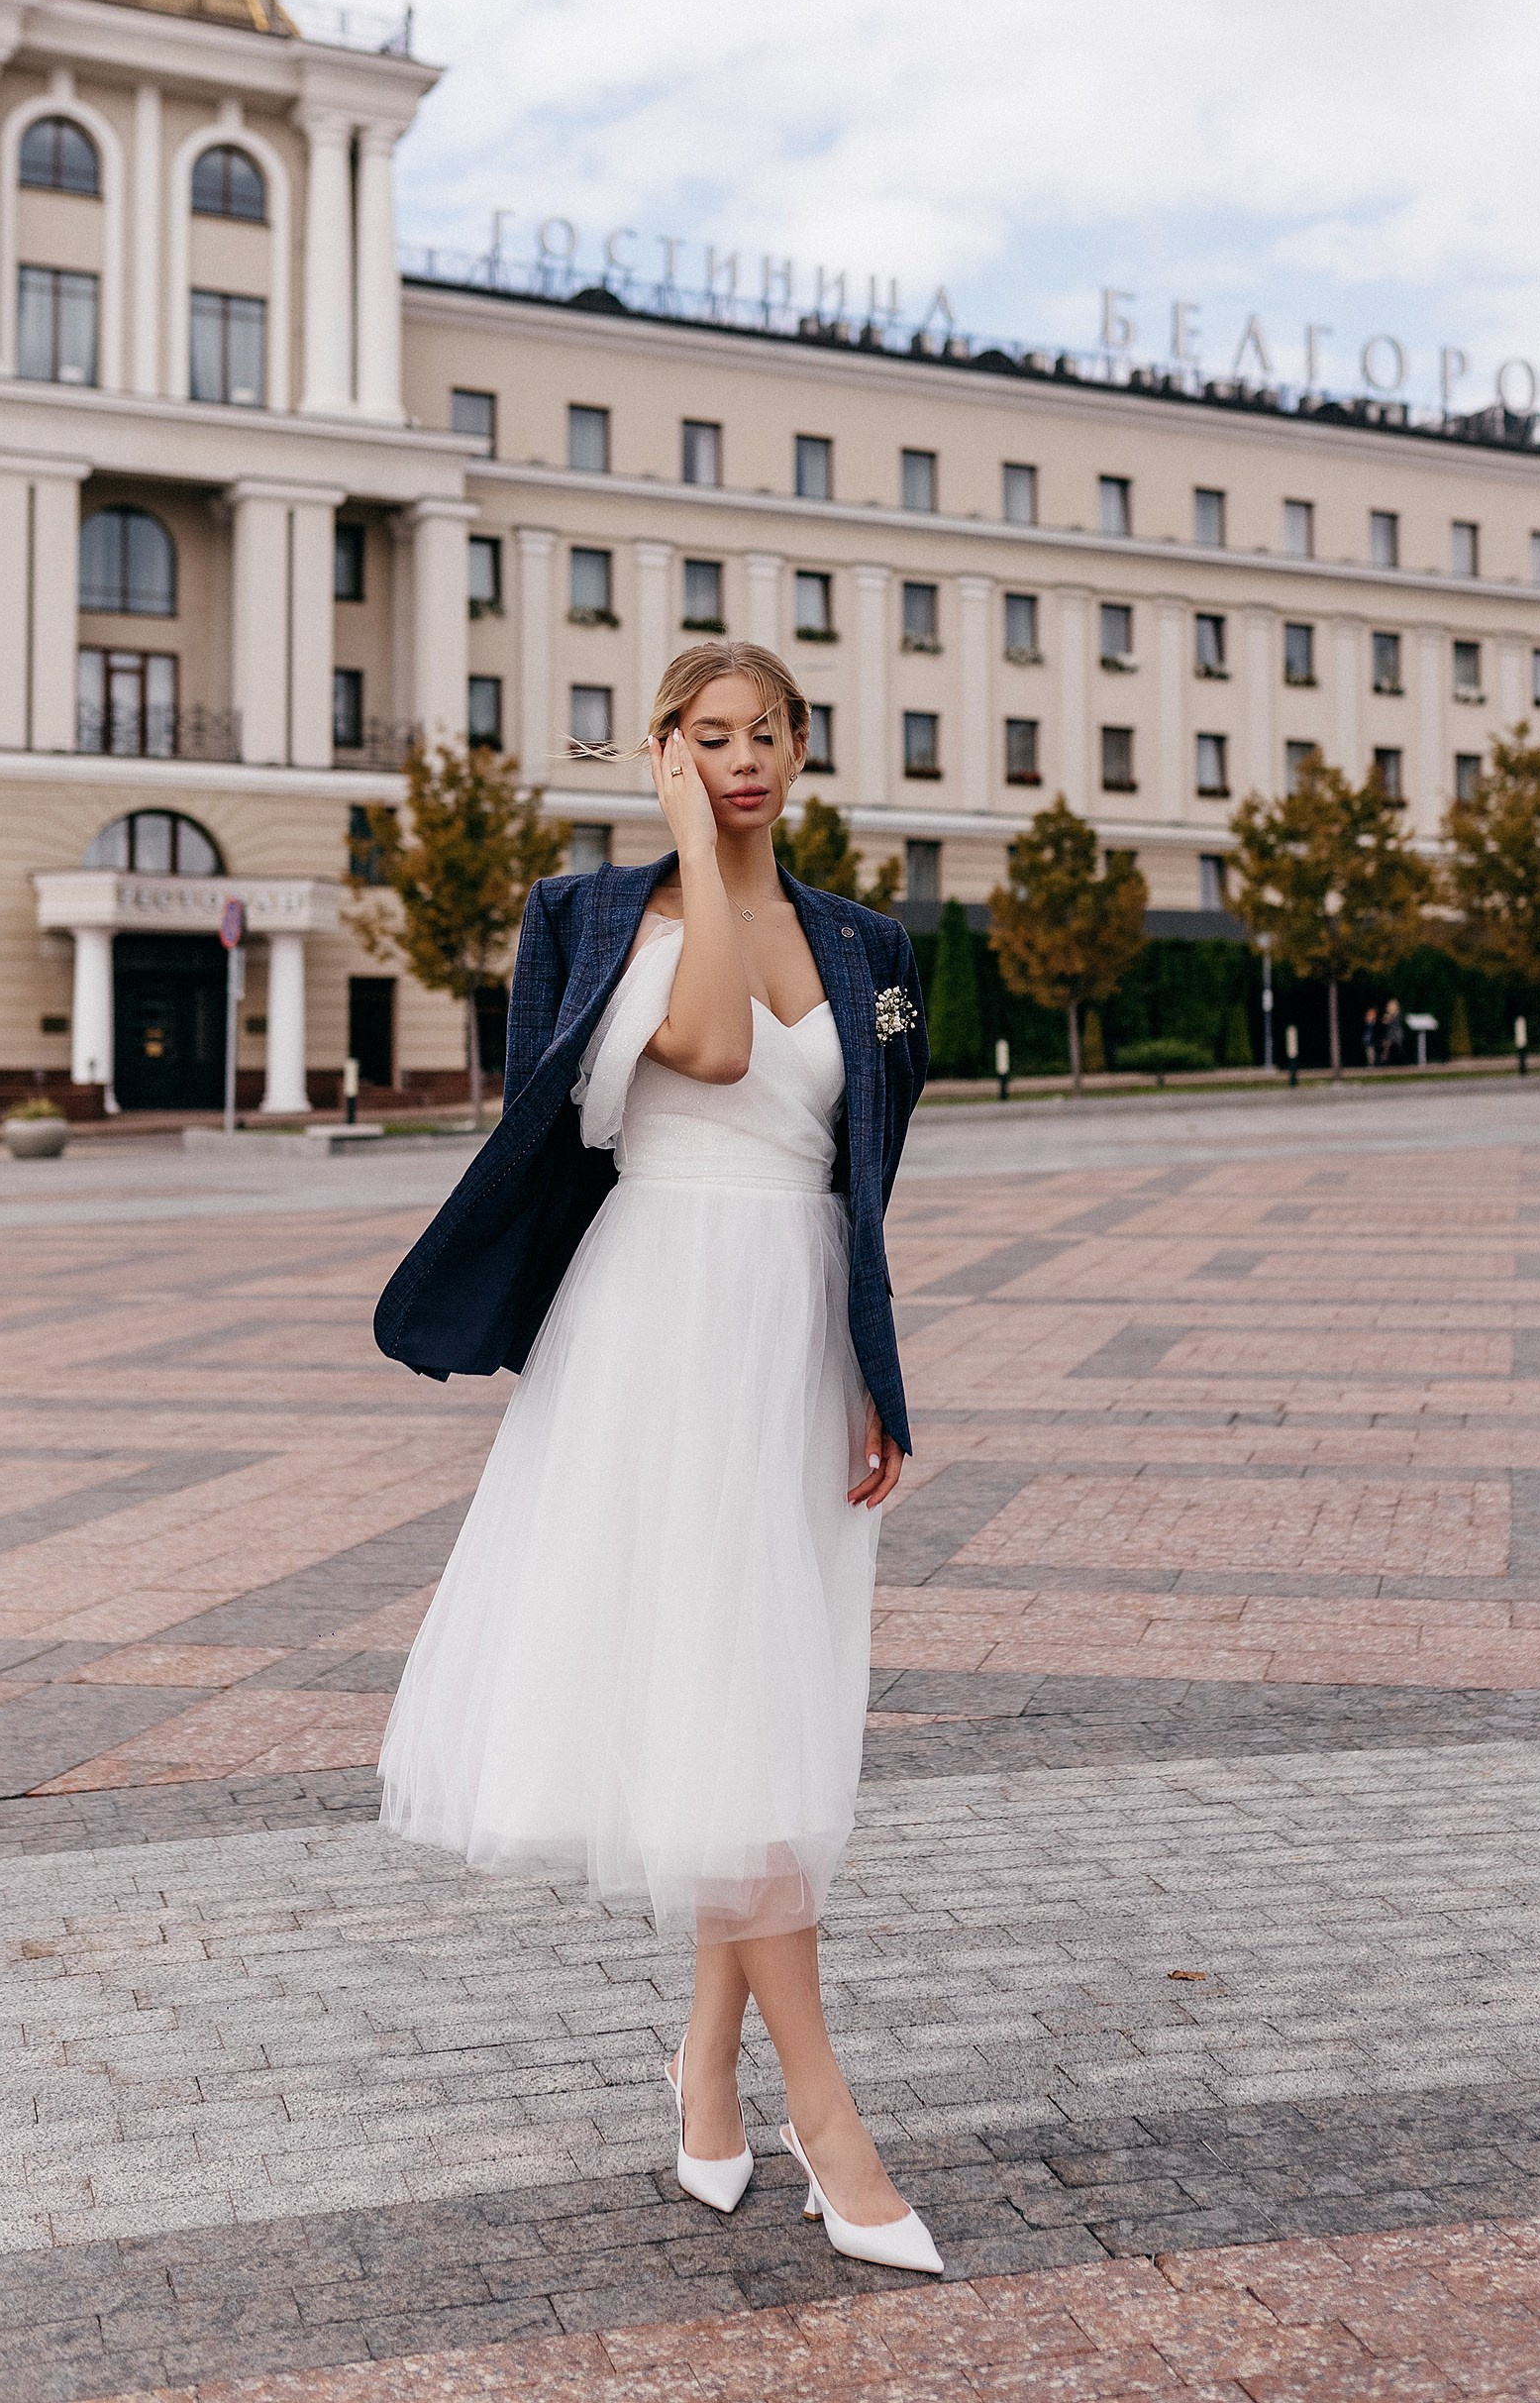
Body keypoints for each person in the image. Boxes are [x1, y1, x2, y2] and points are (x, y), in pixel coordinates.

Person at [371, 642, 940, 2276]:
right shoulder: (587, 916)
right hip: (655, 1325)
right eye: (711, 738)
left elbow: (879, 1153)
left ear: (806, 749)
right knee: (725, 1694)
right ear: (664, 751)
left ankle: (704, 2072)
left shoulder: (880, 951)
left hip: (797, 1327)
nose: (743, 757)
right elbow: (696, 1052)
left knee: (750, 1701)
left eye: (767, 736)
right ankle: (829, 2123)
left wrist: (876, 1371)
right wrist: (694, 854)